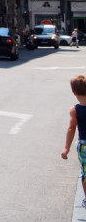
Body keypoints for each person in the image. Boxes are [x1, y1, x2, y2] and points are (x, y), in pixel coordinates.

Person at [62, 75, 86, 208]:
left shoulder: (75, 110)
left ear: (74, 92)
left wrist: (66, 148)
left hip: (84, 145)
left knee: (85, 172)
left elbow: (71, 128)